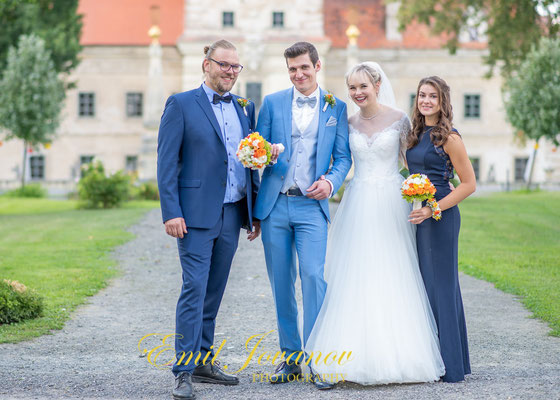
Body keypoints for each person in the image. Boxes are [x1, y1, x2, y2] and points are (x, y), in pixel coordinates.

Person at [305, 62, 445, 386]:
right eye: (352, 88)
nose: (357, 93)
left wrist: (422, 194)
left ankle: (402, 355)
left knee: (393, 269)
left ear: (377, 84)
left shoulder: (400, 120)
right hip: (358, 202)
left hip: (391, 203)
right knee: (355, 271)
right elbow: (340, 159)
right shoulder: (348, 121)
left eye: (363, 87)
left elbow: (412, 164)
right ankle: (348, 355)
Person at [157, 39, 260, 400]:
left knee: (214, 292)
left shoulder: (245, 108)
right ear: (206, 64)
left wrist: (254, 212)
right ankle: (183, 370)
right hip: (195, 216)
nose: (230, 72)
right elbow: (167, 162)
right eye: (223, 65)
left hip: (233, 213)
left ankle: (203, 361)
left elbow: (249, 162)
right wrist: (171, 211)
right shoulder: (181, 104)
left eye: (235, 67)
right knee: (193, 289)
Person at [253, 41, 352, 388]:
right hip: (275, 205)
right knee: (281, 283)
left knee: (313, 277)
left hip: (312, 207)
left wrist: (330, 181)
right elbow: (256, 154)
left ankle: (319, 359)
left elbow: (343, 158)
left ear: (317, 66)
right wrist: (266, 157)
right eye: (292, 69)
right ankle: (291, 359)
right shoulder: (272, 103)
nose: (298, 75)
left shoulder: (335, 108)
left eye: (304, 68)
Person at [406, 76, 476, 383]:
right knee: (426, 286)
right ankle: (436, 356)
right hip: (419, 215)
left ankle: (452, 366)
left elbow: (470, 184)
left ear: (442, 101)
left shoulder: (450, 137)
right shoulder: (415, 133)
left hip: (440, 216)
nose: (426, 101)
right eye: (422, 95)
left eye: (432, 96)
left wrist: (434, 207)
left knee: (443, 287)